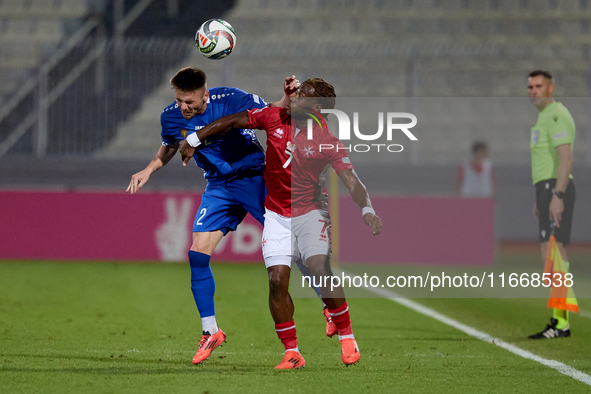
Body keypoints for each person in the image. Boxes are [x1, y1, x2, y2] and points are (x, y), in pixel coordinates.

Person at [125, 68, 332, 364]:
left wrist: (287, 98)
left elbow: (270, 114)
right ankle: (210, 331)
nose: (185, 107)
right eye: (180, 100)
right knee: (197, 253)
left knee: (293, 245)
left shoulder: (231, 99)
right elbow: (169, 147)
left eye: (191, 102)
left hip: (254, 177)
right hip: (219, 186)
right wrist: (149, 169)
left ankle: (328, 306)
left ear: (204, 94)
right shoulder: (169, 116)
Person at [180, 78, 382, 369]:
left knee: (318, 268)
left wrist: (368, 210)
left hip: (311, 212)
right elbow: (232, 121)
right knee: (276, 282)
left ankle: (347, 336)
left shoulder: (327, 142)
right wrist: (195, 139)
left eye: (302, 97)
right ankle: (292, 352)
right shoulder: (274, 118)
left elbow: (352, 181)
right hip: (276, 213)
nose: (294, 98)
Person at [526, 70, 576, 339]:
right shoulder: (544, 117)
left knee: (555, 255)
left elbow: (566, 159)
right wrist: (543, 199)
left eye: (538, 86)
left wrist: (557, 195)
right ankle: (560, 320)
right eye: (530, 87)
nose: (533, 91)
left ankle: (561, 322)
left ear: (551, 88)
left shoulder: (556, 115)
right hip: (546, 189)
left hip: (555, 188)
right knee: (551, 256)